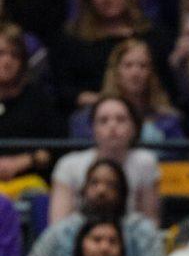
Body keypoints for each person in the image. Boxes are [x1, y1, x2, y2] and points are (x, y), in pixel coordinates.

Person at [50, 0, 170, 116]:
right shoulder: (72, 40)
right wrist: (98, 101)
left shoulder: (151, 34)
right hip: (93, 119)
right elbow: (60, 89)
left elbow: (166, 85)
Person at [24, 159, 163, 256]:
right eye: (94, 183)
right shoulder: (62, 230)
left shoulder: (143, 231)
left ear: (123, 192)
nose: (101, 190)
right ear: (84, 189)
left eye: (111, 184)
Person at [48, 94, 161, 224]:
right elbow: (57, 224)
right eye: (103, 120)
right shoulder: (68, 165)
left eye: (121, 119)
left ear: (134, 127)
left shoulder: (145, 162)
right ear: (92, 129)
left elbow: (151, 222)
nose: (112, 126)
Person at [70, 38, 184, 142]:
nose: (135, 73)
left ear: (151, 73)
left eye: (143, 66)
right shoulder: (90, 118)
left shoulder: (168, 120)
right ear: (116, 72)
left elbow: (179, 159)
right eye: (128, 65)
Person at [0, 23, 63, 179]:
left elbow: (56, 149)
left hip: (28, 184)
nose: (7, 61)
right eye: (0, 54)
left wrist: (27, 160)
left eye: (14, 55)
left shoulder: (39, 101)